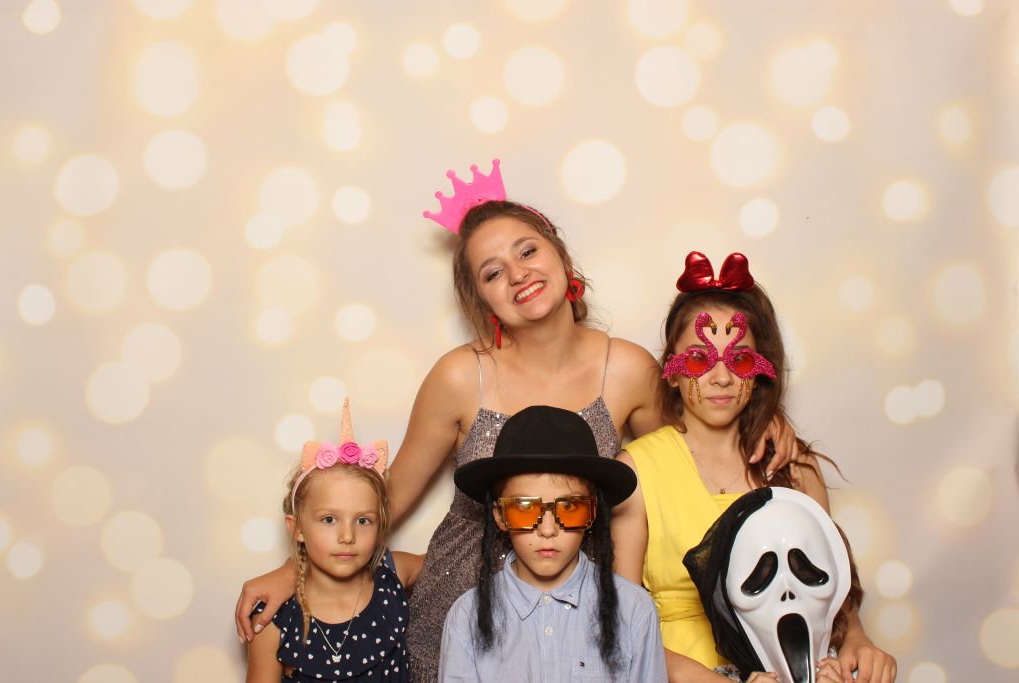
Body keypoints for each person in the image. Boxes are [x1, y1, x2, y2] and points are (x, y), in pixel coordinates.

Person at [235, 162, 796, 680]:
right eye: (492, 272)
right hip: (465, 608)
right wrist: (293, 571)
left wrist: (762, 419)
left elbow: (688, 455)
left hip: (584, 616)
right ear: (481, 300)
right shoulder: (461, 376)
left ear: (562, 257)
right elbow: (384, 499)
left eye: (527, 251)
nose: (518, 274)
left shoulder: (626, 369)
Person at [611, 251, 897, 683]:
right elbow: (624, 626)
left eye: (739, 360)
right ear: (670, 370)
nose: (721, 378)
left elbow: (831, 589)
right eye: (699, 360)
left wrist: (857, 640)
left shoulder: (794, 468)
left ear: (761, 369)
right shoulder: (637, 472)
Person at [439, 405, 667, 681]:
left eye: (569, 507)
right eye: (524, 508)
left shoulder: (634, 610)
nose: (548, 530)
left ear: (592, 513)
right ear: (500, 516)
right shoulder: (466, 617)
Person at [246, 401, 423, 683]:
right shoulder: (272, 618)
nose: (347, 536)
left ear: (380, 526)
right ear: (297, 528)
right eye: (329, 519)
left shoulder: (394, 573)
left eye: (363, 521)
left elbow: (461, 565)